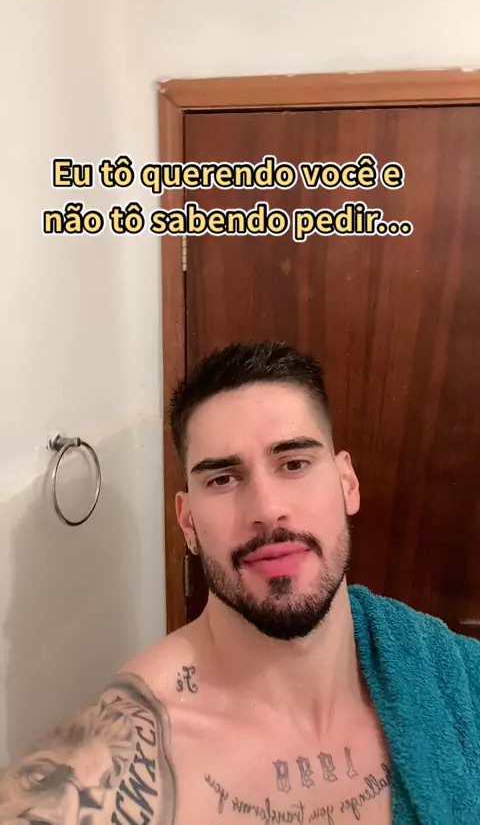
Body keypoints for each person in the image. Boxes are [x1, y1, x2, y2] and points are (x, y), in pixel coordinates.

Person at [0, 341, 478, 825]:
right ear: (187, 522)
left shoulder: (454, 681)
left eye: (294, 463)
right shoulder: (126, 759)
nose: (267, 510)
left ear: (347, 484)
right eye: (223, 479)